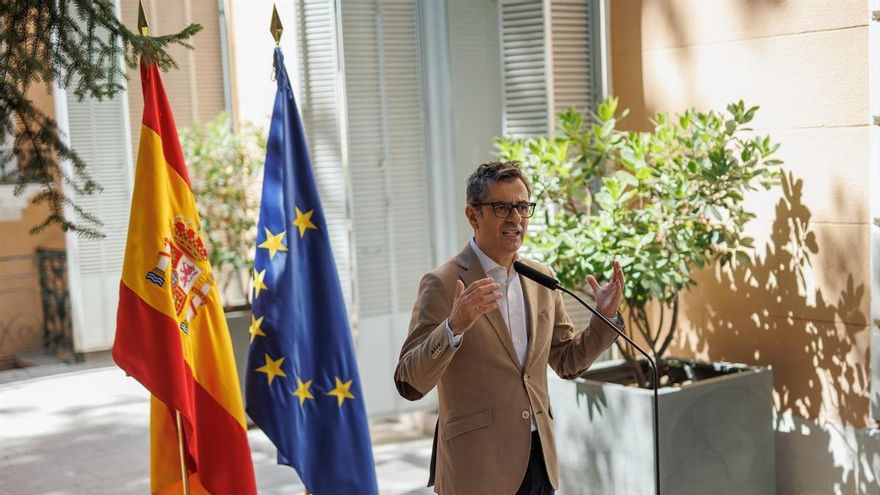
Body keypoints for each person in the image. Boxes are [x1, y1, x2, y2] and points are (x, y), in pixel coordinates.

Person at [394, 161, 626, 494]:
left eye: (522, 207)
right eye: (502, 207)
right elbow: (409, 381)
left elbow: (567, 362)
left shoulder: (540, 278)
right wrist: (453, 326)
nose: (515, 218)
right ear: (473, 216)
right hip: (477, 469)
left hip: (539, 461)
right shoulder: (443, 283)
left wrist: (603, 317)